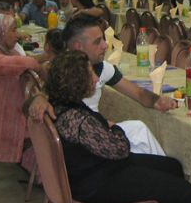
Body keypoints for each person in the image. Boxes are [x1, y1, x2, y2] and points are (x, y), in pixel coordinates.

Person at [45, 50, 191, 203]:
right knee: (183, 193)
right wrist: (115, 128)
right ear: (76, 82)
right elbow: (121, 149)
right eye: (90, 73)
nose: (96, 78)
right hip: (96, 183)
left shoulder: (57, 103)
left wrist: (105, 126)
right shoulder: (78, 121)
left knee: (173, 166)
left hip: (95, 168)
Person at [62, 15, 176, 155]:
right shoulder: (62, 74)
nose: (105, 45)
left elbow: (138, 93)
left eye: (103, 39)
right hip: (84, 144)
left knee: (139, 132)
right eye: (97, 42)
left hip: (95, 133)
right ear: (78, 47)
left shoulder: (102, 67)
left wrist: (157, 101)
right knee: (139, 131)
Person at [0, 14, 45, 165]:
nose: (17, 35)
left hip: (8, 111)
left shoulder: (0, 52)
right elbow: (28, 62)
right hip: (5, 121)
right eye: (13, 30)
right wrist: (44, 65)